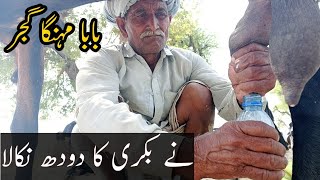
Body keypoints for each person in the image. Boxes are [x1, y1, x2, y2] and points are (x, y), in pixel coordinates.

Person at [74, 0, 288, 179]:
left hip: (178, 166)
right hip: (122, 162)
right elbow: (95, 111)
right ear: (122, 26)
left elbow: (229, 103)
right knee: (85, 134)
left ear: (170, 20)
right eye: (141, 14)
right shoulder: (102, 60)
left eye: (160, 14)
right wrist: (186, 153)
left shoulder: (188, 61)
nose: (154, 24)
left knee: (199, 94)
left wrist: (246, 91)